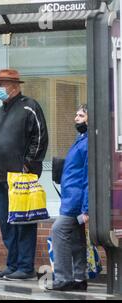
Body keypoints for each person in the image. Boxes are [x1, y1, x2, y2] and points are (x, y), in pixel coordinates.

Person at [0, 69, 49, 281]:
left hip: (20, 177)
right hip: (0, 177)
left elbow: (39, 137)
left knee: (23, 222)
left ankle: (24, 266)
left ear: (15, 85)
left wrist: (28, 165)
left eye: (2, 84)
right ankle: (12, 265)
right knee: (7, 224)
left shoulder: (29, 106)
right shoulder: (0, 111)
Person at [47, 104, 89, 291]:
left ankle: (63, 278)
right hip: (72, 198)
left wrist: (86, 208)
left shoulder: (88, 143)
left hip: (76, 201)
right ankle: (80, 279)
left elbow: (89, 176)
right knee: (76, 238)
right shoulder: (82, 139)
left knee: (58, 231)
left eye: (81, 115)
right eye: (76, 114)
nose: (76, 118)